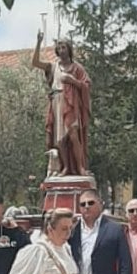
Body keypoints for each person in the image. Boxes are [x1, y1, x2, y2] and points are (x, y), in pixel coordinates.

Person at [32, 31, 91, 176]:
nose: (61, 50)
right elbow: (35, 63)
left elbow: (87, 85)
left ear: (69, 49)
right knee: (59, 140)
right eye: (59, 48)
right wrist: (39, 43)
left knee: (73, 134)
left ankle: (80, 167)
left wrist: (72, 81)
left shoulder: (77, 68)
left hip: (70, 103)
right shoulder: (53, 67)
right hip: (56, 101)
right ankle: (64, 167)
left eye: (64, 47)